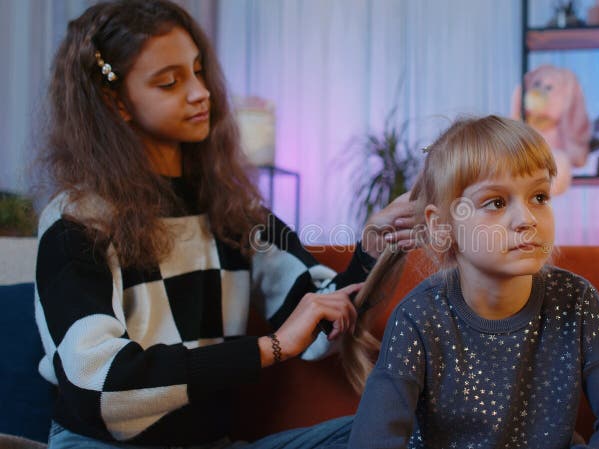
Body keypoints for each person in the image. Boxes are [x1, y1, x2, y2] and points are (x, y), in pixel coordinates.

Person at [33, 1, 416, 448]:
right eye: (170, 82)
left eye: (198, 71)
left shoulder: (235, 211)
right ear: (115, 101)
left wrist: (371, 248)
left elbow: (319, 329)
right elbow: (98, 385)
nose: (201, 93)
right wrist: (269, 348)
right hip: (103, 445)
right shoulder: (77, 220)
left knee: (403, 428)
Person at [347, 115, 599, 449]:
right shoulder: (417, 319)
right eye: (495, 202)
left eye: (539, 197)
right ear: (441, 227)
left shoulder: (577, 301)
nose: (526, 219)